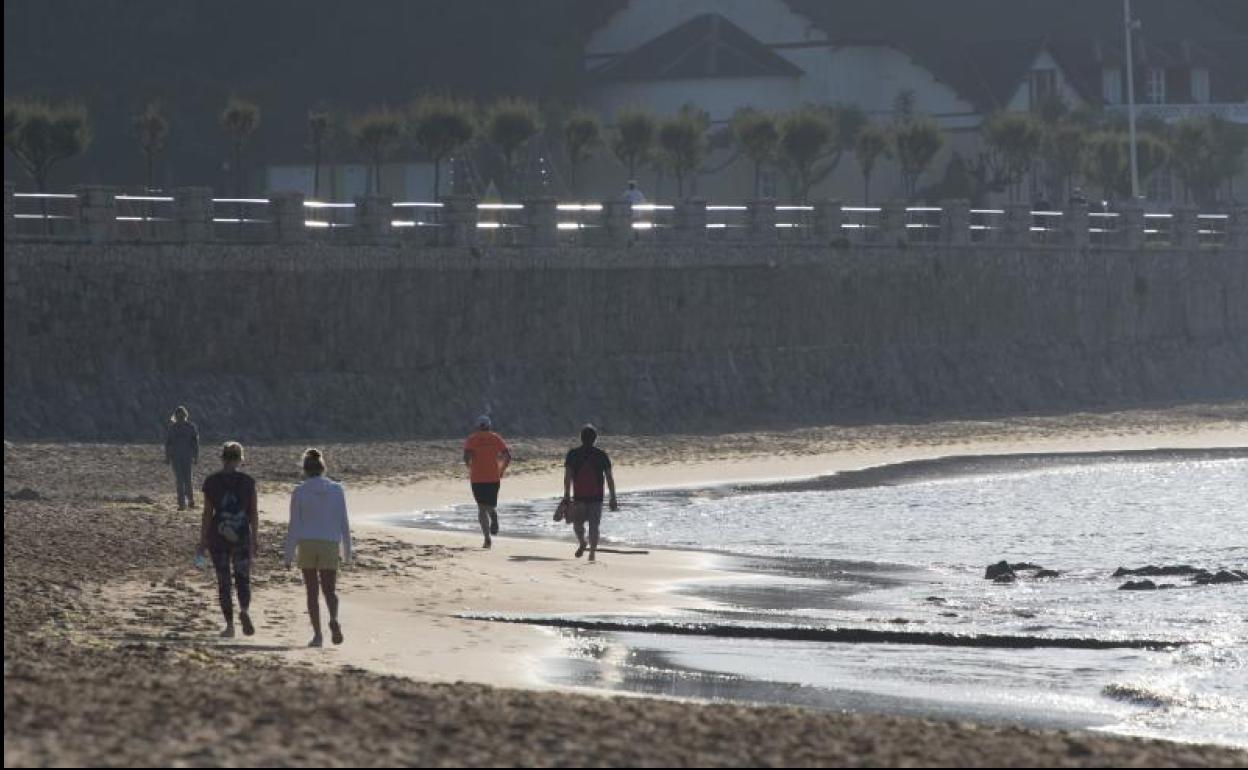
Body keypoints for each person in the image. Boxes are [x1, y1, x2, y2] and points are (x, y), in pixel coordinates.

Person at [284, 449, 352, 648]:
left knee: (311, 592)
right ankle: (333, 618)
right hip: (329, 543)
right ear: (323, 468)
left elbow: (294, 525)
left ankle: (317, 635)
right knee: (330, 591)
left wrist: (288, 555)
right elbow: (343, 523)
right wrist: (346, 553)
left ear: (305, 469)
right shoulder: (337, 489)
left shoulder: (299, 491)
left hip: (307, 544)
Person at [198, 441, 258, 639]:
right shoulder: (249, 482)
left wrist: (202, 540)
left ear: (223, 458)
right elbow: (253, 513)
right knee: (243, 578)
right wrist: (255, 538)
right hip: (241, 535)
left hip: (218, 536)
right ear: (241, 459)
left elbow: (207, 514)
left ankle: (230, 626)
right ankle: (245, 610)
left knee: (223, 582)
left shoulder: (212, 481)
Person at [563, 424, 617, 562]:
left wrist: (567, 495)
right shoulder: (601, 455)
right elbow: (609, 478)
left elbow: (567, 476)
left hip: (579, 497)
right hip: (596, 498)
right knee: (594, 526)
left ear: (581, 438)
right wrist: (613, 497)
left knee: (578, 525)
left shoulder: (573, 454)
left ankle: (582, 542)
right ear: (595, 439)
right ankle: (592, 553)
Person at [462, 415, 511, 549]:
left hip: (477, 478)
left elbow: (466, 457)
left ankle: (487, 538)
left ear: (478, 426)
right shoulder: (496, 438)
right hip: (493, 477)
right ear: (489, 426)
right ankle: (494, 517)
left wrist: (470, 467)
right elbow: (507, 456)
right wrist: (501, 470)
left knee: (481, 508)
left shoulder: (472, 439)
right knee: (489, 505)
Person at [164, 406, 200, 510]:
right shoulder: (172, 428)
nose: (180, 418)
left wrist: (196, 456)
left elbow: (195, 443)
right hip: (176, 458)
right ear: (175, 416)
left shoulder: (191, 427)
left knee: (188, 480)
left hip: (187, 457)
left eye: (182, 416)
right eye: (178, 416)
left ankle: (191, 501)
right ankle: (181, 503)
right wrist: (167, 457)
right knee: (179, 481)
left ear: (185, 416)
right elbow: (168, 443)